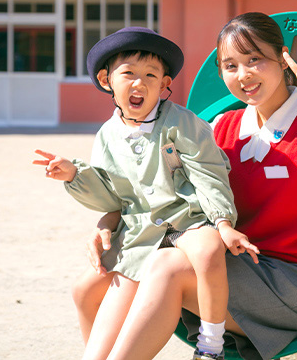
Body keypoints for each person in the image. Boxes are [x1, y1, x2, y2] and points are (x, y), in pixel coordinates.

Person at [81, 12, 297, 360]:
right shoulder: (220, 126)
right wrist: (108, 221)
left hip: (293, 282)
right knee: (94, 283)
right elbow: (154, 187)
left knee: (165, 266)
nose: (243, 75)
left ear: (282, 59)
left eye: (254, 60)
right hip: (230, 266)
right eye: (230, 65)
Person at [33, 26, 259, 360]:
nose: (139, 83)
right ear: (106, 80)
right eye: (128, 74)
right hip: (139, 239)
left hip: (189, 221)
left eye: (151, 75)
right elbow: (112, 197)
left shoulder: (182, 123)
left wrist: (223, 221)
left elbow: (209, 175)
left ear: (165, 85)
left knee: (209, 247)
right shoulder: (108, 135)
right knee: (91, 320)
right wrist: (75, 174)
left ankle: (210, 346)